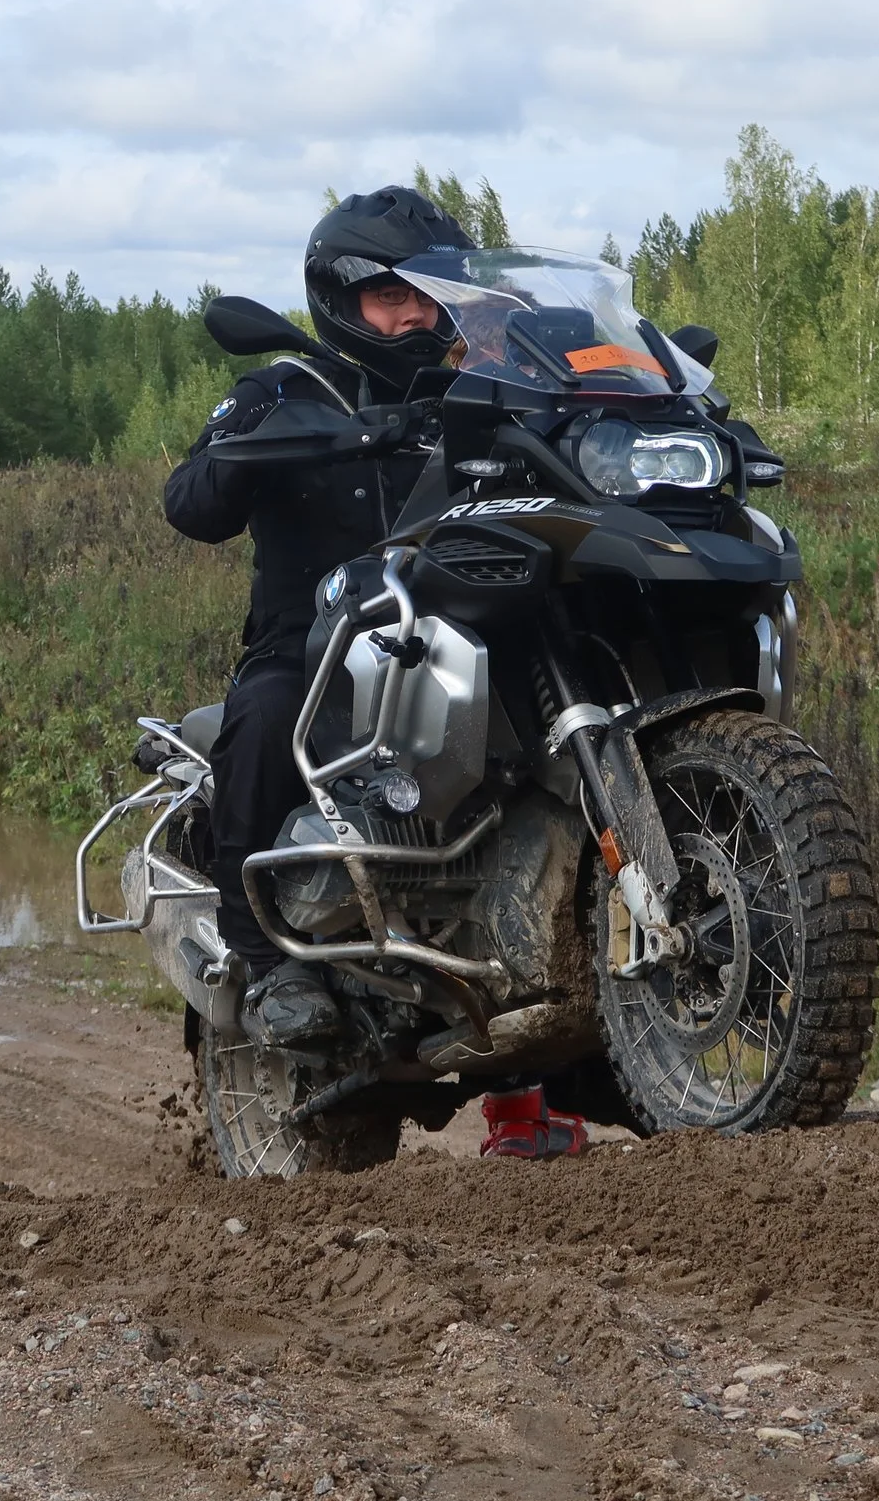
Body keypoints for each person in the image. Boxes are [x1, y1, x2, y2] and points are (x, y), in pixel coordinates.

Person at [164, 185, 588, 1160]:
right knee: (266, 714)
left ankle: (557, 1048)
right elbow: (190, 505)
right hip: (320, 648)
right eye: (384, 297)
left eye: (423, 295)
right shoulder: (286, 390)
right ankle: (270, 966)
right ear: (338, 300)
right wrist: (248, 444)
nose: (406, 315)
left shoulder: (481, 391)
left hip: (461, 643)